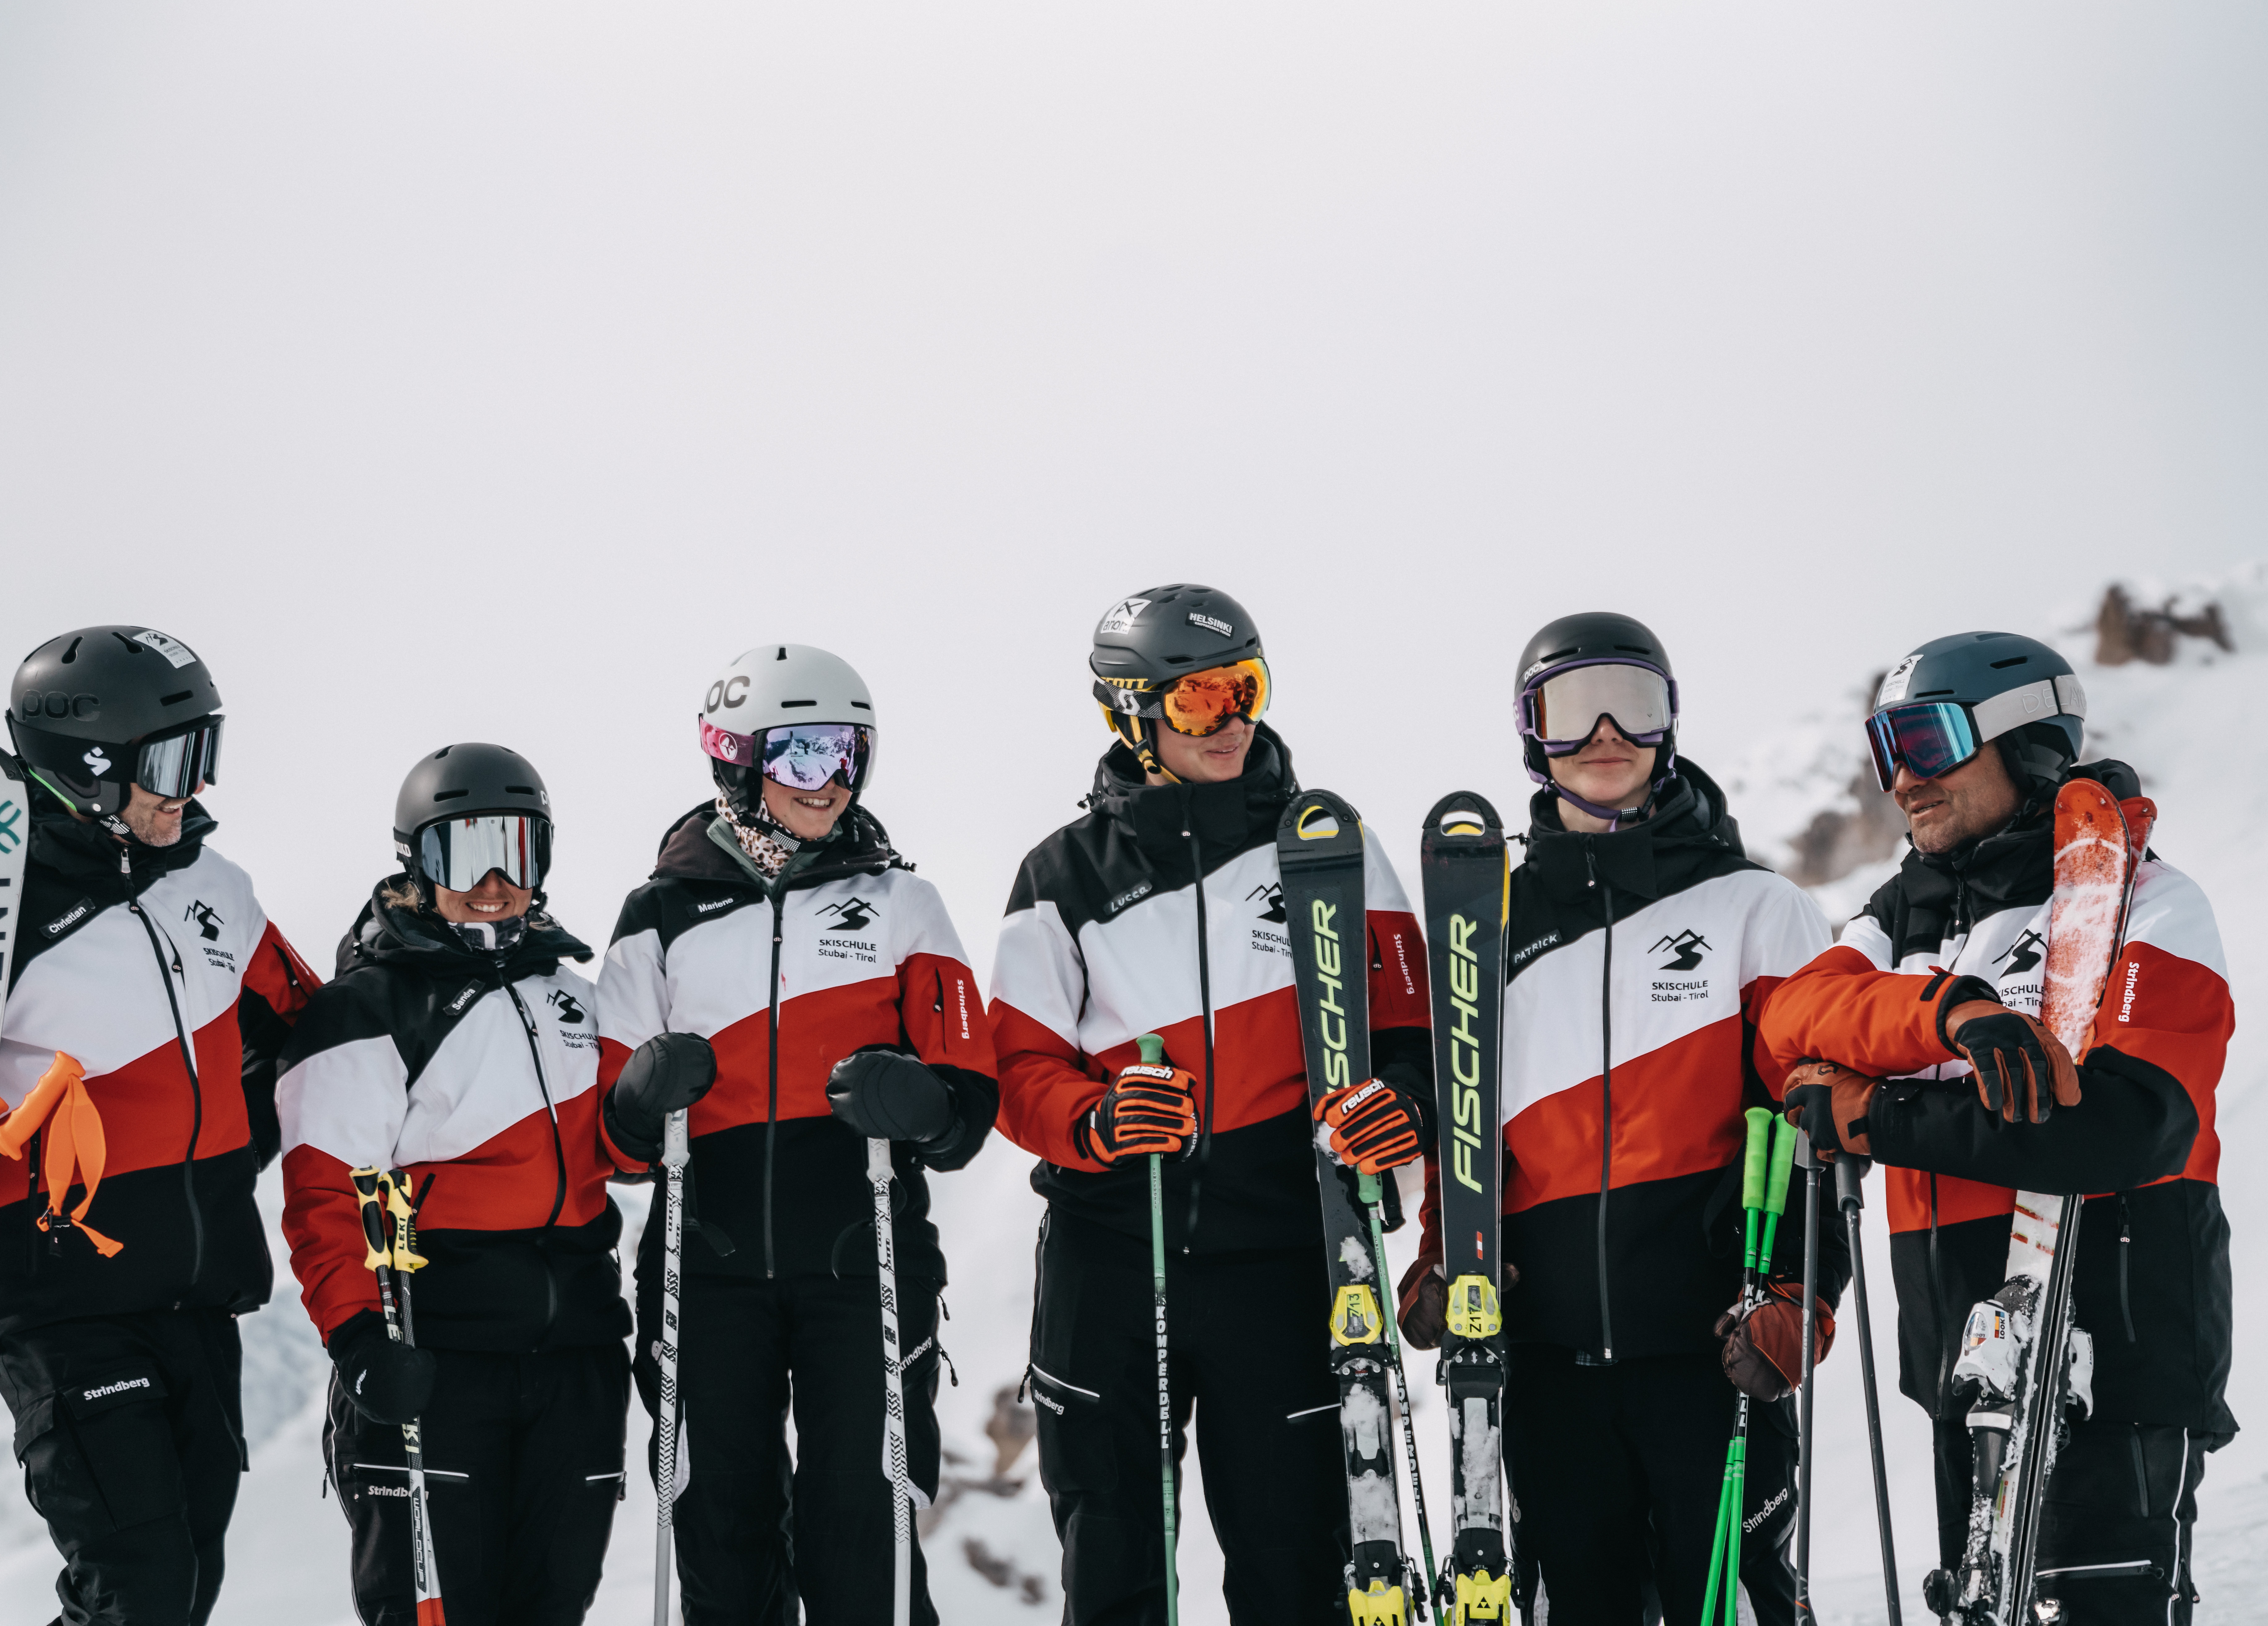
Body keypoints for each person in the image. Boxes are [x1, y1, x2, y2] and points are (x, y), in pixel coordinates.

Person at [0, 625, 316, 1626]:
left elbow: (305, 1027)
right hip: (58, 1302)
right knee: (141, 1588)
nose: (194, 789)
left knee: (179, 1589)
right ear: (91, 765)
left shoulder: (216, 891)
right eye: (171, 761)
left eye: (204, 753)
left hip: (202, 1300)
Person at [1756, 632, 2234, 1626]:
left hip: (2116, 1365)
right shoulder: (1899, 926)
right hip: (1959, 1377)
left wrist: (1875, 1111)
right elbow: (1791, 1024)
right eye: (1887, 752)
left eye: (1927, 742)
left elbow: (2123, 1127)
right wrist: (1949, 1014)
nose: (1904, 781)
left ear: (2027, 743)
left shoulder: (2152, 903)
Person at [988, 584, 1436, 1625]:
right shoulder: (1062, 876)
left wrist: (1401, 1107)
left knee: (1294, 1568)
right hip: (1114, 1256)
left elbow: (1415, 1036)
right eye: (1198, 702)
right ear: (1132, 714)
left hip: (1284, 1256)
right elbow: (1018, 1069)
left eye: (1245, 688)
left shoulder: (1332, 847)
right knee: (1116, 1570)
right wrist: (1097, 1120)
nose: (1232, 719)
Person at [1394, 611, 1843, 1626]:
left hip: (1712, 1353)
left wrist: (1802, 1300)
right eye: (1570, 712)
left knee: (1732, 1606)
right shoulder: (1486, 926)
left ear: (1669, 726)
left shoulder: (1752, 907)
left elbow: (1809, 1131)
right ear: (1531, 735)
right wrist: (1442, 1262)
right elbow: (1473, 1141)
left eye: (1634, 708)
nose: (1605, 735)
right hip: (1548, 1370)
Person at [594, 645, 998, 1625]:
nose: (834, 783)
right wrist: (645, 1098)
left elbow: (970, 1101)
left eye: (850, 754)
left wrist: (921, 1101)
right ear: (737, 762)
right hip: (708, 1260)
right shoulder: (657, 916)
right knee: (724, 1544)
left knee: (863, 1538)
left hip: (862, 1260)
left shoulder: (905, 903)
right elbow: (611, 1139)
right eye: (806, 756)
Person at [276, 743, 628, 1625]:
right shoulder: (368, 1009)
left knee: (551, 1609)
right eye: (464, 852)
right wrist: (361, 1343)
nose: (495, 881)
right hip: (435, 1360)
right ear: (419, 861)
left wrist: (652, 1100)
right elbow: (327, 1194)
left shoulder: (573, 998)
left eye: (517, 849)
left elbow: (628, 1155)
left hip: (576, 1362)